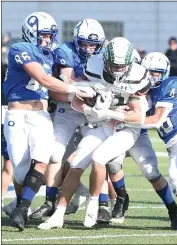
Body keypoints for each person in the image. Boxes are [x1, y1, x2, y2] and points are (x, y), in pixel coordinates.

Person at [37, 37, 152, 230]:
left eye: (121, 66)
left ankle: (94, 202)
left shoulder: (138, 77)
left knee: (100, 158)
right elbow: (76, 100)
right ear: (105, 60)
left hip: (126, 128)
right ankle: (58, 214)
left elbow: (138, 116)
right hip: (102, 122)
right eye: (113, 65)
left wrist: (109, 112)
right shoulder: (94, 66)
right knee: (76, 163)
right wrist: (89, 109)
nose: (117, 70)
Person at [3, 12, 95, 231]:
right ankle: (20, 203)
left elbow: (69, 64)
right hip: (17, 115)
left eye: (50, 35)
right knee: (20, 170)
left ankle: (22, 209)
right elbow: (43, 79)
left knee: (42, 160)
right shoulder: (20, 49)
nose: (48, 39)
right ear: (30, 32)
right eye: (44, 34)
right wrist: (76, 89)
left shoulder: (53, 52)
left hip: (41, 115)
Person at [29, 18, 106, 220]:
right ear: (76, 40)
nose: (89, 49)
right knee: (55, 153)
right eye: (84, 43)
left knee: (105, 157)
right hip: (68, 108)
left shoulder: (105, 55)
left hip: (94, 111)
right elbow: (69, 84)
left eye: (93, 45)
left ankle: (105, 204)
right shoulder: (66, 51)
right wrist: (92, 89)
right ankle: (49, 201)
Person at [123, 52, 177, 230]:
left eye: (156, 73)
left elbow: (157, 119)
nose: (152, 76)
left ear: (164, 73)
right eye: (149, 72)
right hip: (173, 147)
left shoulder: (173, 84)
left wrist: (121, 117)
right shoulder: (144, 92)